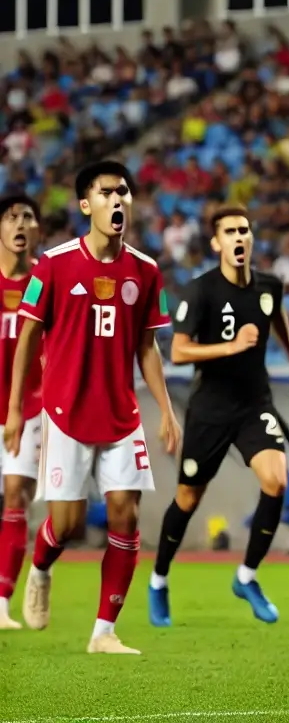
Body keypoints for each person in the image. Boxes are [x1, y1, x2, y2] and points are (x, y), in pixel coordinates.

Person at [3, 160, 181, 654]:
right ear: (87, 205)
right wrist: (17, 408)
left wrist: (165, 410)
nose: (117, 200)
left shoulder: (146, 271)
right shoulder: (53, 265)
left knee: (126, 515)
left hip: (122, 416)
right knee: (68, 525)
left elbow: (147, 347)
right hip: (64, 415)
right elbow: (27, 339)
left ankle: (104, 633)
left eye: (123, 192)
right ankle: (39, 569)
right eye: (106, 193)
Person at [148, 205, 289, 627]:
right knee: (187, 499)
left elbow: (278, 318)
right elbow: (178, 351)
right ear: (217, 243)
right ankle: (159, 581)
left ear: (251, 239)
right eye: (230, 233)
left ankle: (246, 577)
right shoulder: (200, 291)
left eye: (244, 230)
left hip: (255, 404)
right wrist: (230, 347)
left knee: (277, 481)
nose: (239, 238)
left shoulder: (270, 285)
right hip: (210, 411)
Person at [0, 195, 42, 629]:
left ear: (36, 232)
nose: (19, 224)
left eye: (27, 218)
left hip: (28, 410)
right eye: (11, 217)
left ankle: (1, 603)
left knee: (16, 497)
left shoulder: (43, 285)